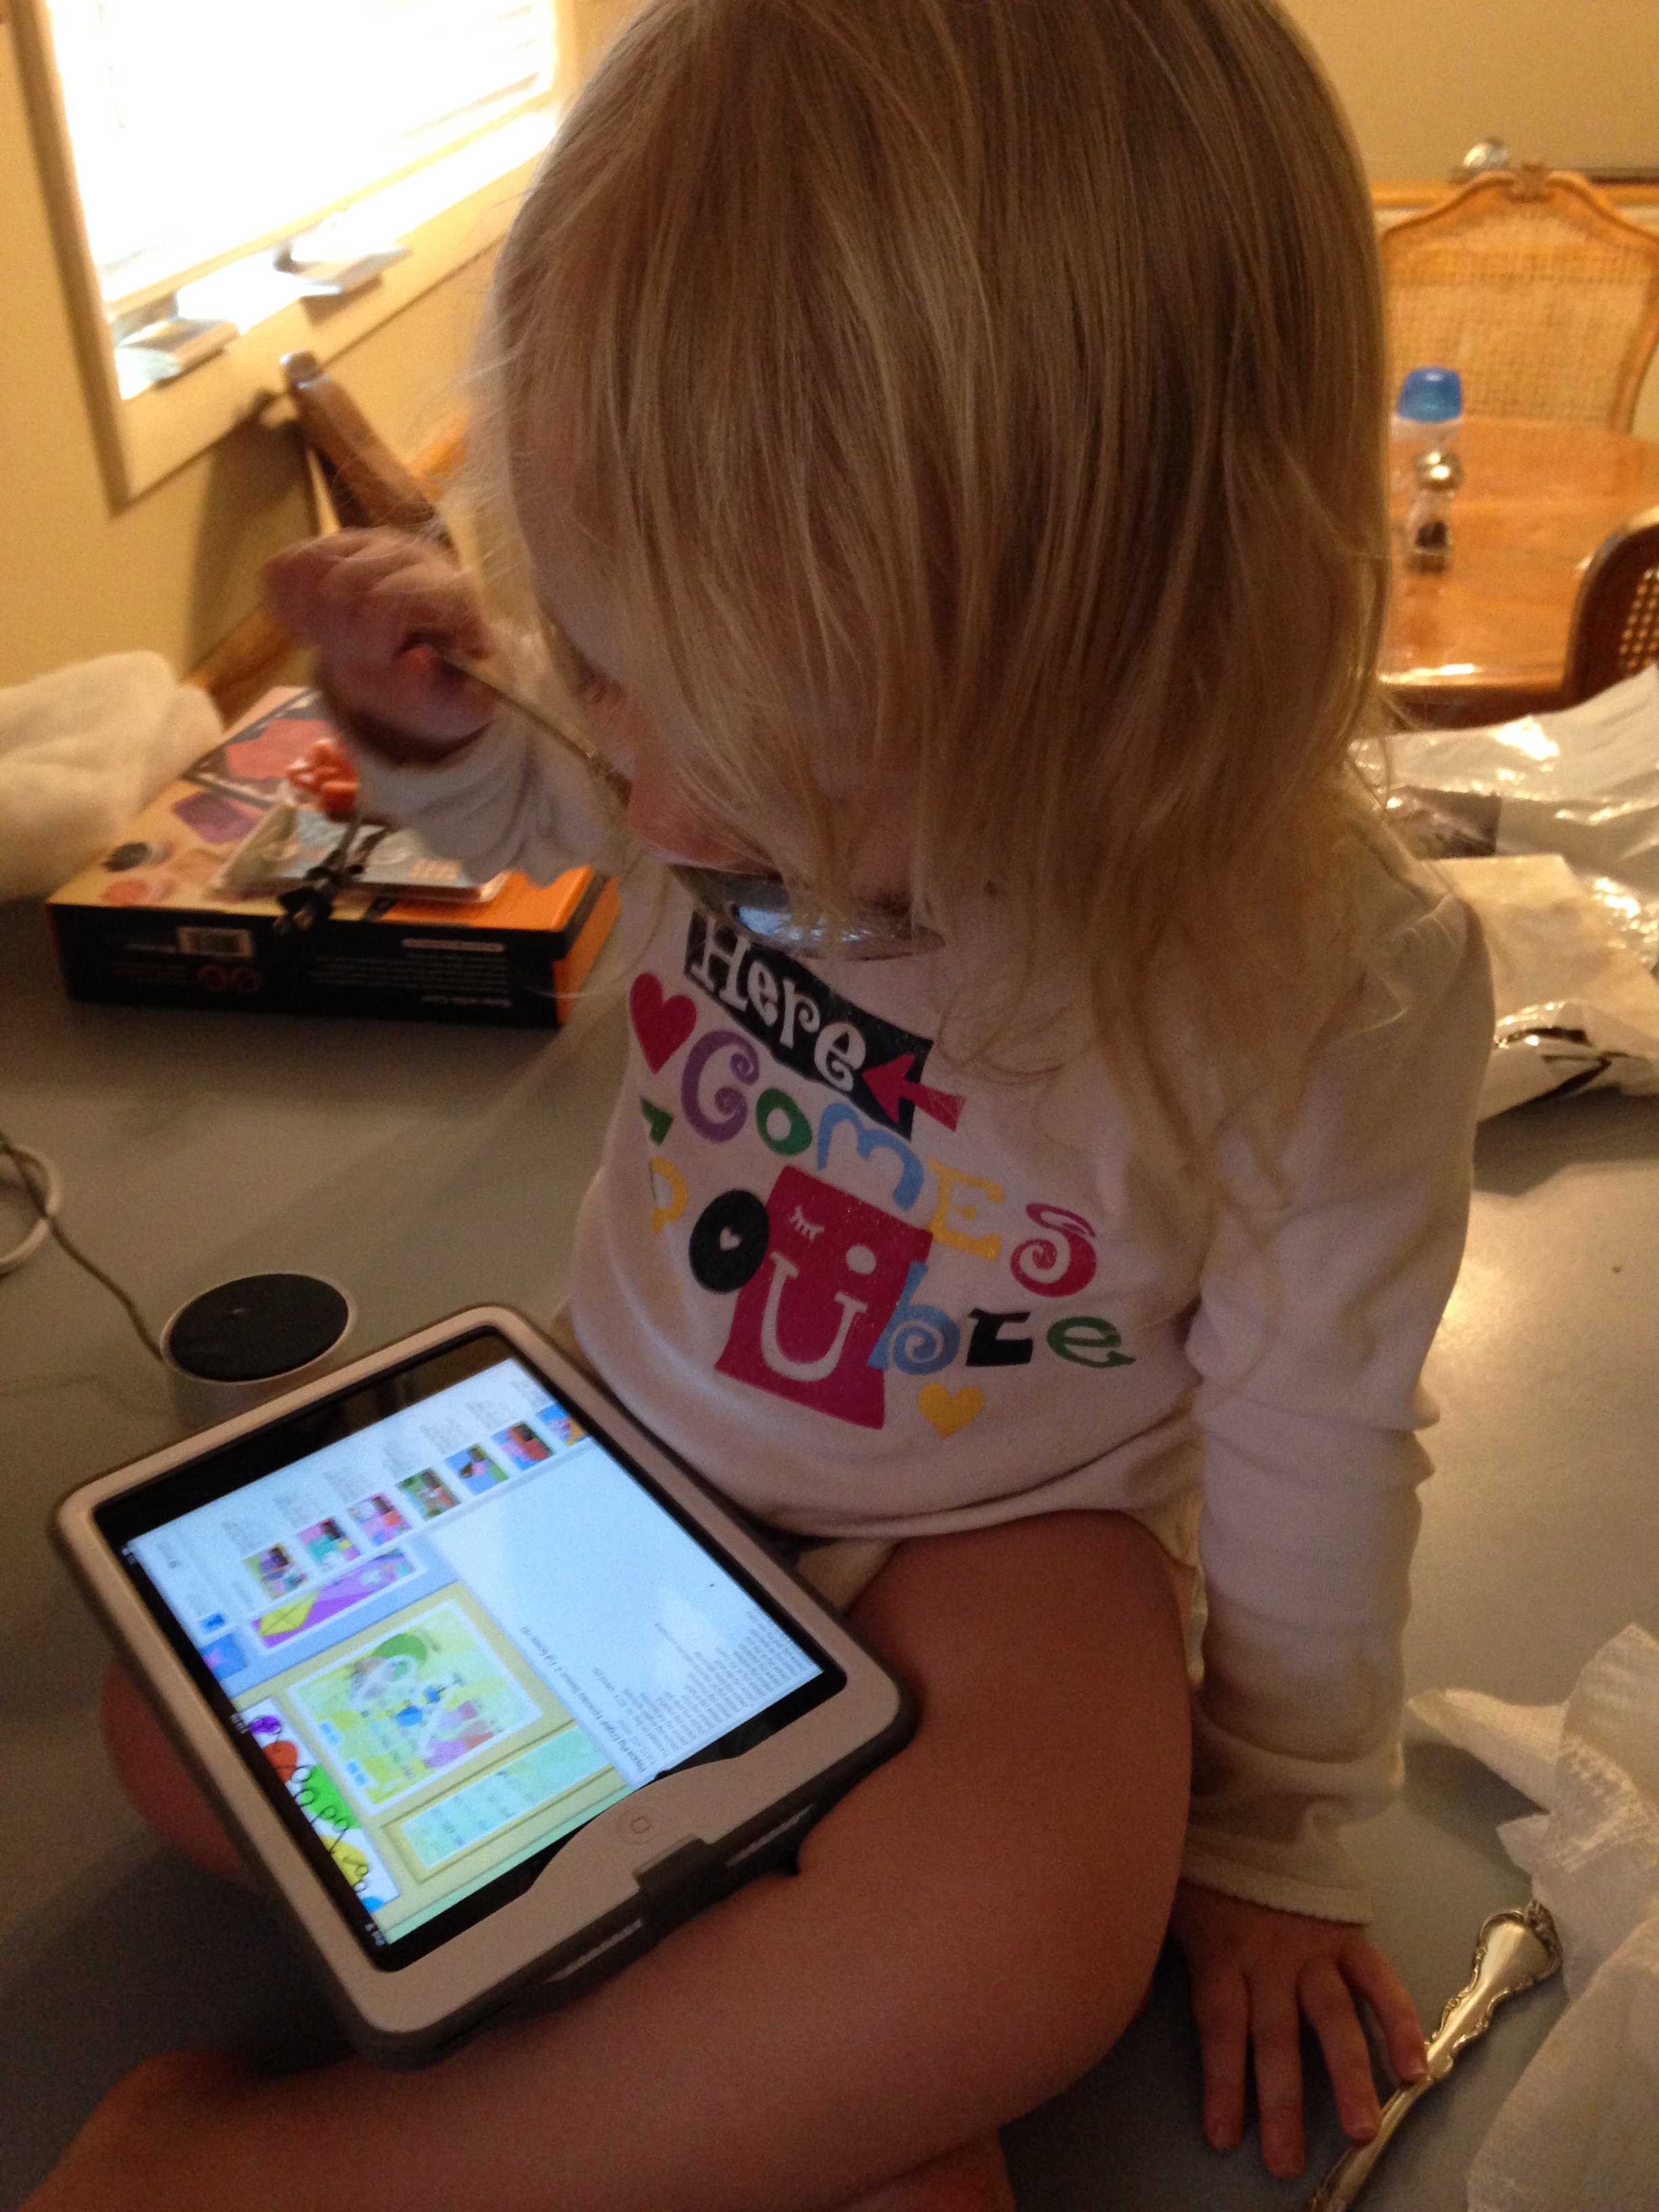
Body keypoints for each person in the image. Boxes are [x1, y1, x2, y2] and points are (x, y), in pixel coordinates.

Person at [32, 3, 1493, 2207]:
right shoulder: (707, 744)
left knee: (1029, 1941)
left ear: (1141, 680)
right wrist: (443, 734)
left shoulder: (1326, 985)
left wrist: (1271, 1830)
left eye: (764, 761)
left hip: (1012, 1547)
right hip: (631, 1432)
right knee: (178, 1728)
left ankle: (309, 2167)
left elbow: (1319, 1446)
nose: (660, 805)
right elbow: (568, 805)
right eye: (613, 673)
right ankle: (795, 2066)